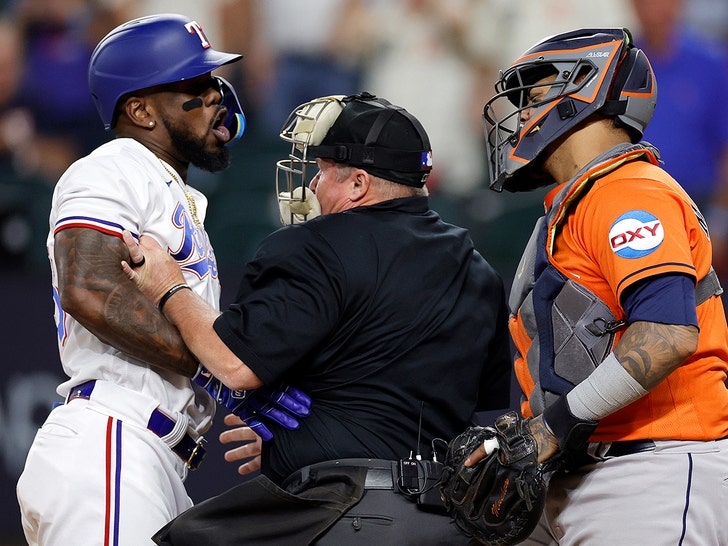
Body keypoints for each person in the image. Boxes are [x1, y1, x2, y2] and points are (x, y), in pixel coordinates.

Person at [119, 91, 512, 544]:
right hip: (452, 521)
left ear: (359, 184)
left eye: (323, 173)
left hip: (349, 515)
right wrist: (302, 439)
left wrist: (171, 287)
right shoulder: (477, 267)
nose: (312, 187)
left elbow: (233, 364)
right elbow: (412, 396)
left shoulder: (317, 244)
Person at [15, 13, 307, 546]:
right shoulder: (113, 165)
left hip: (152, 460)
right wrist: (224, 371)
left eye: (214, 82)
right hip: (111, 442)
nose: (217, 95)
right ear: (141, 110)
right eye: (195, 86)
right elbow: (90, 287)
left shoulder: (166, 186)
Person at [462, 28, 728, 544]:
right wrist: (529, 428)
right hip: (607, 472)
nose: (519, 118)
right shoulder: (583, 200)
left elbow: (667, 334)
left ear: (579, 92)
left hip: (653, 472)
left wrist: (550, 427)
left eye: (533, 97)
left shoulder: (629, 192)